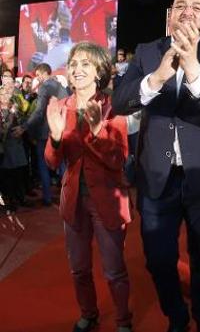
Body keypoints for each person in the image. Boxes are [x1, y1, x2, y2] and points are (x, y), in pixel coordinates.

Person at [112, 0, 200, 332]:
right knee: (158, 259)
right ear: (170, 14)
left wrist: (194, 66)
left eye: (198, 7)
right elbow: (120, 103)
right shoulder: (146, 52)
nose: (188, 11)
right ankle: (177, 318)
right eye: (181, 5)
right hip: (157, 176)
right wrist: (157, 77)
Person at [45, 42, 132, 332]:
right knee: (79, 268)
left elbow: (118, 158)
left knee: (114, 269)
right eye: (73, 64)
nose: (77, 69)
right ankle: (89, 313)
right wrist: (56, 139)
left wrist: (97, 133)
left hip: (107, 198)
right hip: (73, 201)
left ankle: (123, 321)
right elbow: (51, 161)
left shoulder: (113, 107)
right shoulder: (59, 107)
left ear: (99, 72)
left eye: (85, 64)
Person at [13, 62, 69, 206]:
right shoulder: (62, 87)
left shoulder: (45, 86)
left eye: (38, 75)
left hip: (45, 133)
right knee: (62, 163)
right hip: (61, 129)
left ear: (44, 73)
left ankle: (47, 198)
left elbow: (38, 113)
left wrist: (24, 127)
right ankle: (67, 196)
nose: (37, 79)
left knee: (43, 164)